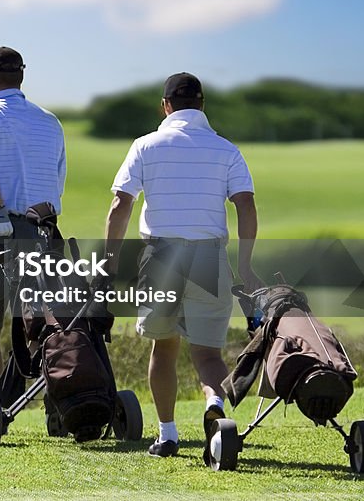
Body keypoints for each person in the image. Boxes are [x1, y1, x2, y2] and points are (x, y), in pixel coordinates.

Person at [103, 72, 261, 459]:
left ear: (165, 106)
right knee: (208, 355)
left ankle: (169, 435)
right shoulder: (227, 150)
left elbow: (121, 204)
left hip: (161, 256)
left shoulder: (145, 145)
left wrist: (109, 259)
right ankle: (216, 408)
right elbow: (245, 204)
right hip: (210, 256)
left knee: (164, 347)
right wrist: (245, 265)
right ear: (202, 105)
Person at [0, 46, 67, 393]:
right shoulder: (49, 122)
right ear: (21, 76)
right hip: (43, 232)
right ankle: (55, 404)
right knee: (43, 324)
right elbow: (57, 178)